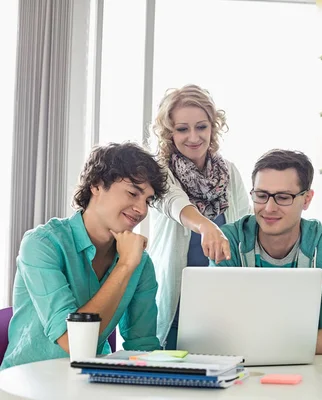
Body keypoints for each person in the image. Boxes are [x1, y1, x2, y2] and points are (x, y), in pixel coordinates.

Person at [1, 142, 167, 370]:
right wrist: (125, 266)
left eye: (147, 200)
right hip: (28, 385)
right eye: (133, 193)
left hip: (92, 383)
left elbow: (142, 347)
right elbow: (72, 341)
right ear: (96, 185)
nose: (142, 209)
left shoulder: (140, 262)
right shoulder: (42, 244)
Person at [210, 149, 322, 354]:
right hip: (243, 372)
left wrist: (263, 342)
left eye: (283, 197)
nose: (269, 208)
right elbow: (214, 333)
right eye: (261, 195)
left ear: (307, 199)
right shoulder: (229, 240)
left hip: (310, 374)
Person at [148, 84, 251, 349]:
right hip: (175, 302)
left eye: (201, 126)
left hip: (223, 304)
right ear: (170, 133)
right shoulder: (159, 171)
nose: (193, 137)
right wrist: (206, 226)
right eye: (182, 129)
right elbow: (174, 202)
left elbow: (244, 229)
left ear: (213, 127)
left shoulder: (229, 172)